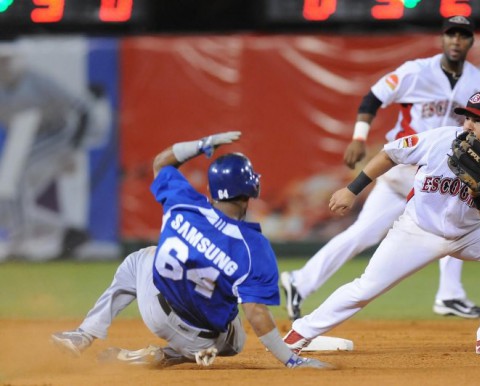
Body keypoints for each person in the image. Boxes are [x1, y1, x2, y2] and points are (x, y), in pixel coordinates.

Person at [283, 92, 480, 355]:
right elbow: (389, 154)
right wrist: (352, 189)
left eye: (479, 120)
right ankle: (299, 334)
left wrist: (477, 194)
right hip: (418, 230)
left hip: (471, 234)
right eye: (467, 117)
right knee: (365, 288)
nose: (469, 125)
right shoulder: (440, 139)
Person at [51, 132, 330, 369]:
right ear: (250, 192)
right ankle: (170, 355)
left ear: (211, 188)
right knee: (236, 338)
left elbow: (161, 163)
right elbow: (255, 312)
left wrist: (201, 144)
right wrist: (292, 361)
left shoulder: (183, 202)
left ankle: (84, 334)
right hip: (202, 338)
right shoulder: (253, 246)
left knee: (140, 258)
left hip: (154, 309)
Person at [281, 15, 480, 320]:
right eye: (451, 34)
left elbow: (479, 124)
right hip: (405, 167)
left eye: (463, 35)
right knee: (453, 211)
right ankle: (449, 295)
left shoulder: (476, 81)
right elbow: (372, 98)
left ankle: (300, 281)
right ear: (442, 38)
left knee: (368, 232)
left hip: (433, 171)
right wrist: (358, 137)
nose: (456, 40)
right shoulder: (416, 72)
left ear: (471, 40)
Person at [0, 39, 112, 261]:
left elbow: (83, 109)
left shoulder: (37, 81)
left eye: (6, 60)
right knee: (5, 193)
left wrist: (73, 151)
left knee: (18, 179)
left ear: (17, 61)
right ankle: (67, 232)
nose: (3, 66)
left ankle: (20, 241)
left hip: (60, 134)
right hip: (31, 137)